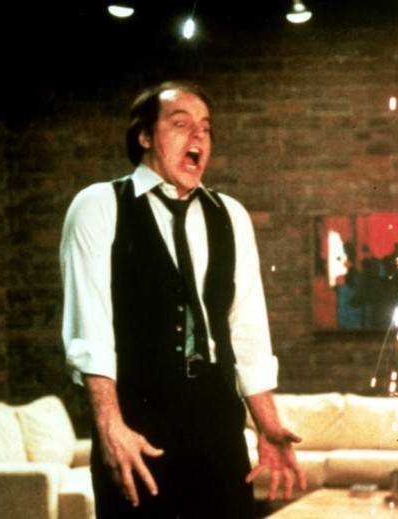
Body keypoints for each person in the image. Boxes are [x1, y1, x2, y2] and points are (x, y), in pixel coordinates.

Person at [60, 80, 305, 518]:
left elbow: (247, 330)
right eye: (181, 124)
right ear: (144, 136)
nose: (198, 136)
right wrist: (110, 427)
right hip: (138, 423)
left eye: (206, 128)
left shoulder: (231, 215)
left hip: (218, 423)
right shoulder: (99, 206)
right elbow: (89, 331)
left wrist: (268, 425)